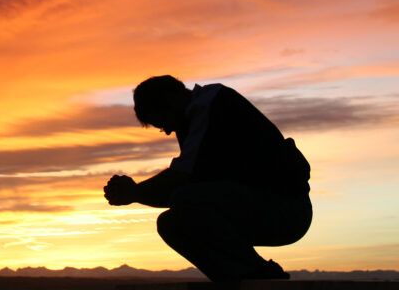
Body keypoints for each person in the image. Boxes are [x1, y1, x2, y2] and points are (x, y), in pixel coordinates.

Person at [103, 75, 312, 282]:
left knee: (186, 198)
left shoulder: (210, 105)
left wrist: (134, 192)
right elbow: (179, 188)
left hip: (286, 209)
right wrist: (135, 193)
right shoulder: (196, 119)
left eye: (163, 122)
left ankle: (261, 274)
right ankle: (238, 279)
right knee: (171, 224)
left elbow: (180, 183)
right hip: (258, 207)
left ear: (172, 100)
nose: (167, 131)